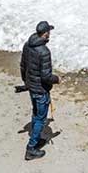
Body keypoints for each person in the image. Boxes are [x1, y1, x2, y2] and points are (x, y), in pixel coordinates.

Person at [21, 21, 60, 160]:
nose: (50, 34)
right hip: (41, 90)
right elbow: (46, 76)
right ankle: (31, 148)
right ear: (45, 34)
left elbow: (23, 66)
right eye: (49, 31)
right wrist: (56, 79)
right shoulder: (44, 52)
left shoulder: (27, 45)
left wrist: (26, 83)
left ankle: (36, 139)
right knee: (40, 119)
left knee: (36, 112)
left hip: (32, 87)